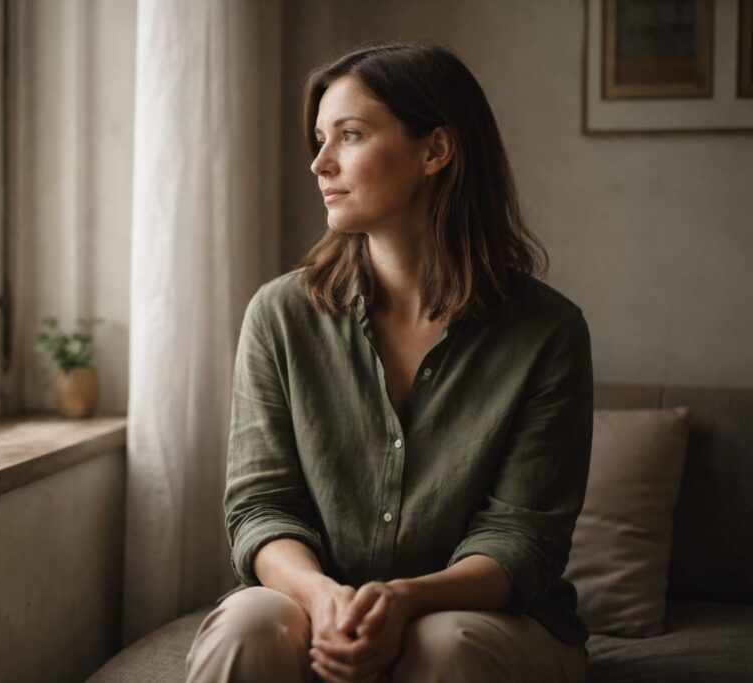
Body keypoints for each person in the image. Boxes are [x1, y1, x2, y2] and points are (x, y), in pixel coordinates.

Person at [185, 43, 593, 683]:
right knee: (249, 625)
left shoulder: (548, 332)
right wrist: (324, 599)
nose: (320, 163)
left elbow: (522, 539)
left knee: (444, 643)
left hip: (481, 619)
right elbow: (262, 507)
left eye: (349, 135)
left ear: (435, 150)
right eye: (320, 139)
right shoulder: (279, 316)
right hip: (321, 598)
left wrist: (403, 601)